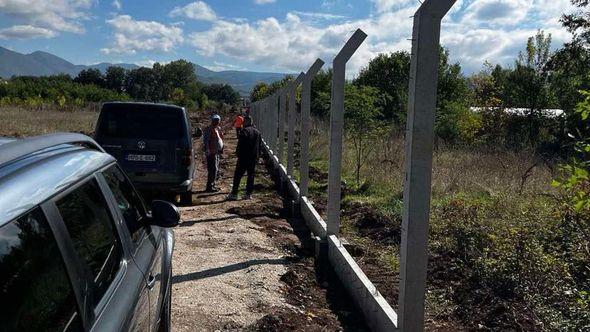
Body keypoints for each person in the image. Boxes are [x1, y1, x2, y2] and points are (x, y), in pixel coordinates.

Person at [227, 116, 261, 200]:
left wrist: (238, 154)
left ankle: (234, 193)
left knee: (238, 175)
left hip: (244, 157)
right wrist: (258, 156)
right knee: (251, 175)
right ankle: (248, 194)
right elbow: (259, 146)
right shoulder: (257, 132)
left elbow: (240, 145)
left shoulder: (244, 132)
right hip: (253, 158)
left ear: (245, 122)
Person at [202, 114, 224, 192]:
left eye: (218, 120)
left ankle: (213, 185)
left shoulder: (218, 128)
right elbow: (206, 141)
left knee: (216, 169)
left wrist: (221, 148)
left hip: (217, 152)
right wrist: (207, 150)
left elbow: (220, 139)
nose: (216, 121)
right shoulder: (208, 129)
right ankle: (209, 186)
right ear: (212, 120)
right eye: (215, 120)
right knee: (212, 169)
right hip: (211, 152)